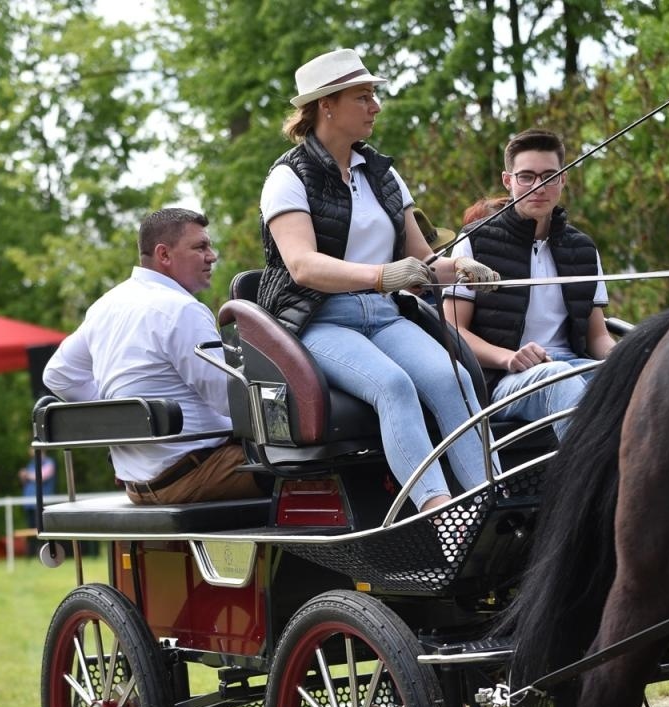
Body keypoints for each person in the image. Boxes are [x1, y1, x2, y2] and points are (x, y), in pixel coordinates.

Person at [258, 47, 501, 513]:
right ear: (326, 104)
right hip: (319, 319)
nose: (376, 106)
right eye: (364, 96)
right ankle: (438, 510)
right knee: (393, 385)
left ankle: (489, 504)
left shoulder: (383, 175)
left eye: (374, 95)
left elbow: (424, 261)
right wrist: (380, 275)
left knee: (452, 378)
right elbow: (303, 266)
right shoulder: (287, 177)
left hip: (386, 316)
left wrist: (463, 268)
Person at [43, 207, 262, 505]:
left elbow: (58, 374)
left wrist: (122, 418)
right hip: (196, 476)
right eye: (200, 247)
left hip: (138, 486)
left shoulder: (106, 306)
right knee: (318, 469)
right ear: (164, 255)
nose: (212, 255)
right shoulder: (181, 309)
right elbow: (229, 399)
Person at [442, 128, 618, 434]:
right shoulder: (474, 242)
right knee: (560, 380)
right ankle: (584, 481)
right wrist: (509, 358)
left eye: (550, 175)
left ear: (563, 179)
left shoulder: (583, 248)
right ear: (508, 181)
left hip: (575, 367)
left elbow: (598, 336)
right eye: (526, 177)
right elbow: (453, 331)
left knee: (646, 384)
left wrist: (630, 360)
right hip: (502, 381)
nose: (539, 186)